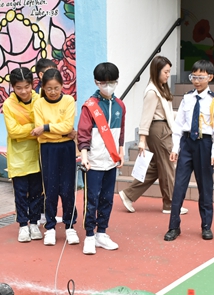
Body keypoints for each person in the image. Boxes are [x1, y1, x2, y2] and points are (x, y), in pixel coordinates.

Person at [164, 60, 214, 242]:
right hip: (187, 143)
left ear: (210, 77)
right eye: (194, 77)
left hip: (204, 144)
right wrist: (175, 148)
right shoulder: (187, 98)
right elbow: (179, 124)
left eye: (201, 77)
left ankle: (206, 226)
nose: (196, 81)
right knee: (179, 186)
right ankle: (173, 226)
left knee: (205, 187)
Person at [119, 56, 188, 215]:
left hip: (162, 129)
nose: (168, 75)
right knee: (167, 166)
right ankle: (170, 204)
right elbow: (146, 117)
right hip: (158, 131)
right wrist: (142, 140)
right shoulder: (152, 91)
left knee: (158, 167)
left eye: (169, 72)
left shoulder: (160, 88)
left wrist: (183, 116)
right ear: (157, 71)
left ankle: (128, 195)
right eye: (165, 72)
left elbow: (166, 113)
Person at [77, 62, 125, 255]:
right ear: (97, 82)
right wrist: (84, 157)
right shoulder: (90, 106)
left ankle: (102, 233)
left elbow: (121, 132)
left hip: (111, 162)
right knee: (92, 200)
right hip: (93, 162)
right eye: (104, 83)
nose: (108, 86)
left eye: (111, 82)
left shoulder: (120, 105)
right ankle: (89, 235)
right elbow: (83, 134)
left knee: (107, 199)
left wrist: (121, 152)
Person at [33, 69, 78, 246]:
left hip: (66, 148)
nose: (53, 92)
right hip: (48, 149)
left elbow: (68, 125)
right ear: (43, 88)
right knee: (50, 189)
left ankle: (70, 226)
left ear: (62, 86)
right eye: (49, 88)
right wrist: (62, 132)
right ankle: (50, 227)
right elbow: (40, 132)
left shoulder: (68, 100)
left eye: (56, 88)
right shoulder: (39, 103)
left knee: (67, 189)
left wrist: (46, 128)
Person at [3, 67, 43, 243]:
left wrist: (26, 129)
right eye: (19, 88)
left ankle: (34, 223)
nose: (24, 91)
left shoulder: (39, 100)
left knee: (36, 192)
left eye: (27, 86)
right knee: (20, 193)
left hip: (38, 154)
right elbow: (13, 132)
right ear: (13, 87)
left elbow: (45, 123)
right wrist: (35, 128)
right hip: (18, 155)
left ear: (32, 84)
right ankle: (22, 225)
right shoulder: (8, 104)